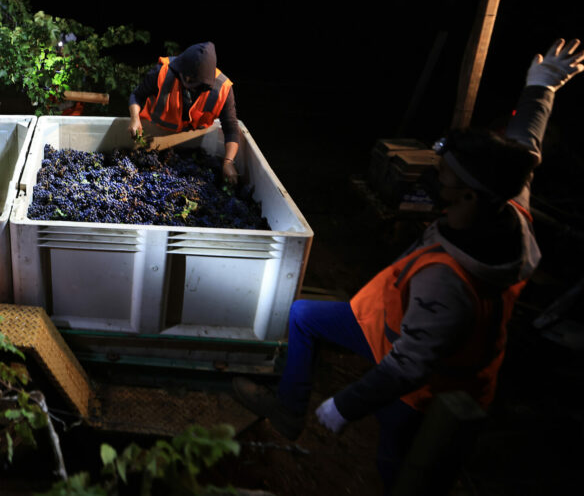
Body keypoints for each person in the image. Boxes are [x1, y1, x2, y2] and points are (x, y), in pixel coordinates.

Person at [231, 38, 584, 491]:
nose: (437, 179)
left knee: (396, 460)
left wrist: (346, 405)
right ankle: (288, 409)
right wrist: (542, 87)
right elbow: (525, 146)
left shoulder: (448, 282)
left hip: (430, 382)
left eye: (447, 177)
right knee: (303, 317)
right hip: (385, 324)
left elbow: (409, 367)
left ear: (471, 195)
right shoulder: (509, 203)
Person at [128, 41, 241, 184]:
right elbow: (137, 95)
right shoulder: (162, 72)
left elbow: (231, 127)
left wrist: (228, 161)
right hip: (154, 135)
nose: (186, 81)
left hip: (193, 142)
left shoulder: (223, 90)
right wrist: (135, 118)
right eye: (184, 77)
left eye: (192, 81)